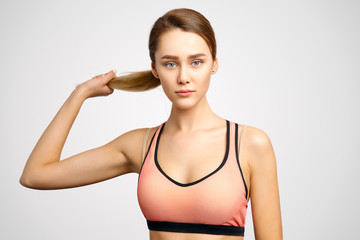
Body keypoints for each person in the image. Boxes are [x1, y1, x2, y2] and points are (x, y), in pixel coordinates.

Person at [20, 8, 283, 240]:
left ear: (214, 64)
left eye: (196, 62)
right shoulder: (140, 146)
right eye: (170, 63)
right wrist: (79, 95)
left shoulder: (250, 144)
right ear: (155, 69)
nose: (183, 77)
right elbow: (35, 175)